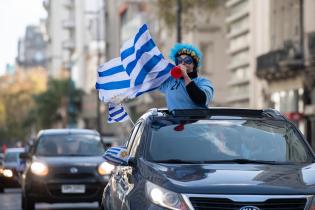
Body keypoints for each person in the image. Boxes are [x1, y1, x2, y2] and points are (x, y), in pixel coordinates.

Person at [159, 43, 214, 110]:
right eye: (179, 60)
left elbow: (201, 99)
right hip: (174, 120)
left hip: (196, 120)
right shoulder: (169, 81)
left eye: (187, 60)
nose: (183, 63)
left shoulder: (203, 81)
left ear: (194, 65)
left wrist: (185, 76)